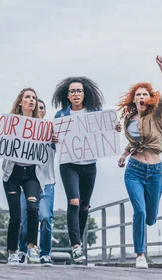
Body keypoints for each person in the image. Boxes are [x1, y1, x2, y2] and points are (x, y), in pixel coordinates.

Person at [52, 76, 121, 263]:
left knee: (84, 205)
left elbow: (107, 133)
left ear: (84, 94)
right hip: (69, 165)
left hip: (89, 165)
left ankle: (78, 244)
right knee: (74, 201)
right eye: (72, 91)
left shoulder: (95, 113)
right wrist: (53, 140)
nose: (76, 94)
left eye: (79, 91)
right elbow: (53, 146)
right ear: (67, 95)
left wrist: (114, 129)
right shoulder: (60, 116)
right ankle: (75, 247)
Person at [117, 56, 162, 269]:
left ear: (150, 98)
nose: (141, 97)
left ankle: (146, 230)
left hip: (155, 171)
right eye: (138, 94)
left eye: (145, 94)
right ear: (133, 99)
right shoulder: (128, 120)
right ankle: (140, 254)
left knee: (150, 217)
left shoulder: (157, 114)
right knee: (139, 211)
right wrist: (123, 154)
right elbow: (134, 143)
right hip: (134, 171)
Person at [17, 98, 55, 266]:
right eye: (36, 108)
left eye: (41, 108)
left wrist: (55, 139)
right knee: (25, 221)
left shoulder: (51, 131)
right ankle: (23, 250)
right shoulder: (22, 131)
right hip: (27, 182)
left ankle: (45, 253)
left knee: (46, 217)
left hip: (46, 182)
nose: (38, 111)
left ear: (44, 112)